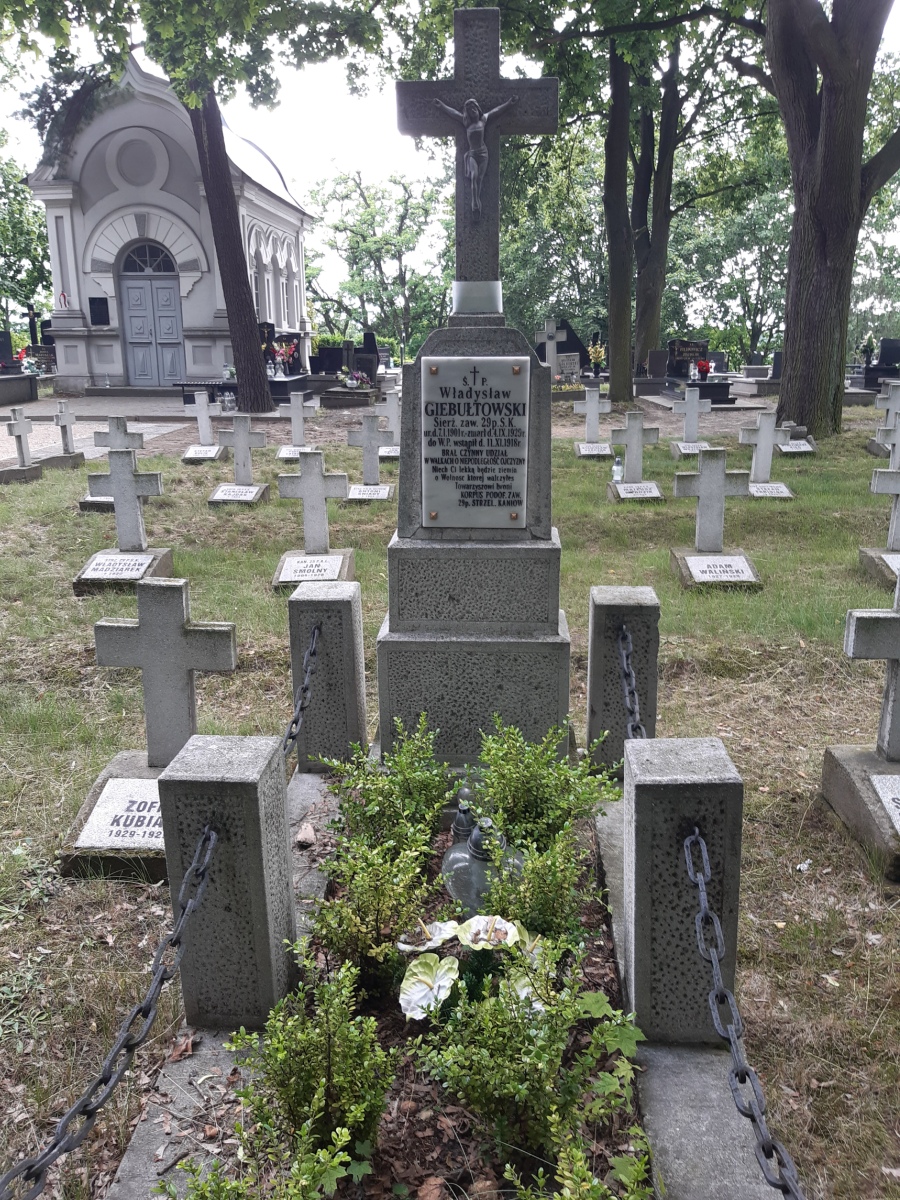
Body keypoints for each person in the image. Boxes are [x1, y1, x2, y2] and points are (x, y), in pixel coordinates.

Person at [433, 95, 518, 217]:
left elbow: (496, 111)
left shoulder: (483, 120)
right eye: (470, 110)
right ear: (468, 113)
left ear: (478, 109)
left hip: (483, 153)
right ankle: (474, 203)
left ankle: (477, 200)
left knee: (480, 179)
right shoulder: (466, 123)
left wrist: (509, 103)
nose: (473, 111)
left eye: (474, 108)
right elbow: (453, 113)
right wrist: (441, 106)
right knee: (474, 176)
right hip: (472, 153)